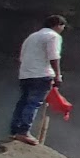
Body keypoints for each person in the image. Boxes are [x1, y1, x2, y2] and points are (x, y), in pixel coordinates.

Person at [9, 15, 67, 146]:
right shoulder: (53, 36)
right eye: (63, 27)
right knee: (34, 103)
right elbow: (54, 56)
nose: (62, 30)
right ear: (58, 25)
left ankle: (14, 130)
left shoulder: (32, 37)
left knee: (23, 102)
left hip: (25, 74)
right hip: (41, 74)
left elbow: (22, 56)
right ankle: (24, 131)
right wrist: (58, 75)